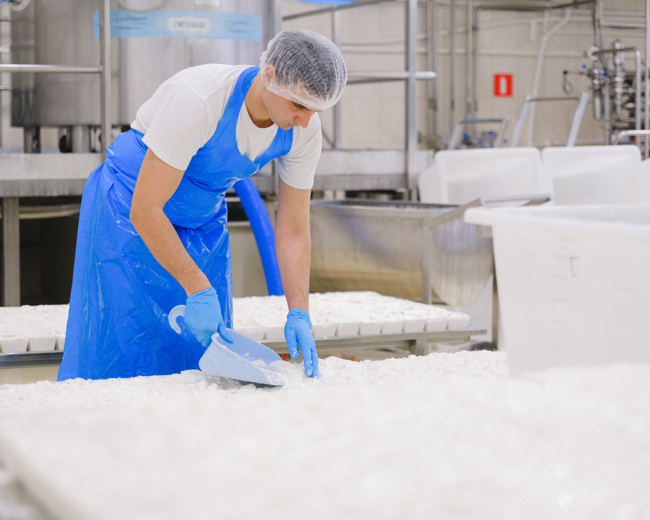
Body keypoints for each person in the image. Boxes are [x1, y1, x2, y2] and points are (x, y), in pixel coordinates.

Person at [57, 29, 347, 381]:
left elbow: (294, 229)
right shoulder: (201, 99)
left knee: (203, 360)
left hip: (200, 223)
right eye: (299, 105)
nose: (306, 120)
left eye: (315, 110)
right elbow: (145, 209)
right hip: (129, 214)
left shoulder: (303, 128)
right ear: (270, 76)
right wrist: (196, 286)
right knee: (126, 347)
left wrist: (299, 311)